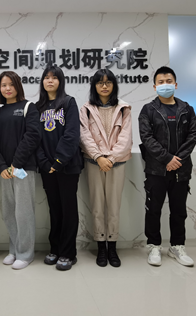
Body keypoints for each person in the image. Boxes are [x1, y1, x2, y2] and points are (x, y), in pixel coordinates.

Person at [138, 66, 196, 267]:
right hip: (156, 169)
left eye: (169, 81)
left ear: (176, 84)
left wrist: (177, 159)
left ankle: (177, 246)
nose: (165, 85)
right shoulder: (148, 110)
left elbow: (192, 135)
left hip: (181, 169)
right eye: (161, 82)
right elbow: (147, 138)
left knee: (179, 210)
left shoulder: (187, 109)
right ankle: (154, 246)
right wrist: (166, 159)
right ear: (155, 86)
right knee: (153, 209)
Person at [79, 69, 132, 268]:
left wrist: (110, 158)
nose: (104, 86)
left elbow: (125, 138)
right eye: (100, 82)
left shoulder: (124, 108)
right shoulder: (86, 109)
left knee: (114, 207)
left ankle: (112, 247)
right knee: (97, 206)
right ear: (94, 86)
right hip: (94, 163)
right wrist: (99, 157)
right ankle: (101, 246)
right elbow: (84, 136)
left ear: (113, 85)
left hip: (116, 163)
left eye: (108, 82)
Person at [0, 71, 41, 270]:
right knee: (9, 212)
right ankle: (14, 250)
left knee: (23, 212)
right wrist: (1, 166)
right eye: (3, 85)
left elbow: (33, 136)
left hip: (23, 168)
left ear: (18, 86)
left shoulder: (29, 107)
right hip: (5, 170)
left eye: (11, 84)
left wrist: (16, 163)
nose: (7, 88)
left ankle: (26, 254)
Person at [36, 66, 83, 271]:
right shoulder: (38, 107)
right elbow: (34, 137)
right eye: (46, 77)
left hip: (67, 167)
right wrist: (45, 163)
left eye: (54, 78)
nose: (50, 81)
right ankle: (55, 248)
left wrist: (58, 161)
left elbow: (72, 134)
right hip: (47, 168)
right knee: (54, 209)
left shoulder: (68, 102)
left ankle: (68, 253)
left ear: (60, 81)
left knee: (68, 209)